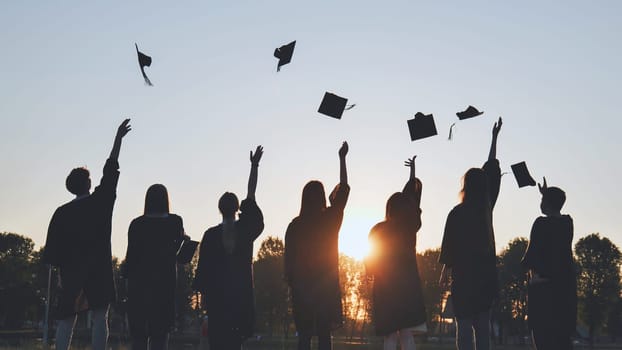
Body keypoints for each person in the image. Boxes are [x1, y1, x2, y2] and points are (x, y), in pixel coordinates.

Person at [42, 119, 131, 350]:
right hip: (98, 267)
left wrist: (60, 272)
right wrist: (117, 140)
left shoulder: (62, 213)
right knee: (101, 317)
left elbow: (53, 249)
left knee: (66, 320)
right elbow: (111, 170)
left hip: (72, 270)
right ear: (89, 183)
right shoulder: (100, 203)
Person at [439, 118, 503, 350]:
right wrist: (494, 137)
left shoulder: (457, 213)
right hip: (485, 276)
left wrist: (445, 269)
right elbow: (493, 166)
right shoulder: (486, 207)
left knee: (463, 328)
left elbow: (449, 244)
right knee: (483, 329)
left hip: (464, 278)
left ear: (465, 185)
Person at [193, 146, 265, 350]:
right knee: (235, 344)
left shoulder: (210, 235)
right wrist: (254, 165)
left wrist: (204, 301)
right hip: (240, 298)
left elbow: (203, 272)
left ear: (219, 209)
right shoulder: (245, 231)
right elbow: (251, 194)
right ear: (237, 208)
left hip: (218, 301)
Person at [285, 142, 350, 350]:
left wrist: (292, 283)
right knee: (324, 336)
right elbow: (344, 191)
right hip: (325, 287)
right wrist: (342, 158)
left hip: (302, 288)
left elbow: (289, 259)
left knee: (304, 336)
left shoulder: (295, 225)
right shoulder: (329, 219)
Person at [366, 155, 426, 350]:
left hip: (385, 289)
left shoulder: (377, 230)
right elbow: (412, 200)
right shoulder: (409, 229)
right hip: (408, 288)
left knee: (390, 336)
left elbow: (371, 259)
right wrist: (412, 174)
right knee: (407, 335)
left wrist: (370, 273)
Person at [124, 184, 188, 350]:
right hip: (164, 285)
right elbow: (177, 253)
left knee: (138, 338)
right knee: (160, 337)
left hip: (139, 286)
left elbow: (130, 258)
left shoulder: (137, 224)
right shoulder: (175, 222)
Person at [521, 178, 576, 349]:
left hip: (543, 288)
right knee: (561, 339)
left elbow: (531, 256)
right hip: (564, 290)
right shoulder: (568, 223)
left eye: (542, 200)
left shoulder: (540, 224)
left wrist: (524, 269)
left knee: (542, 338)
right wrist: (547, 194)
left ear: (546, 203)